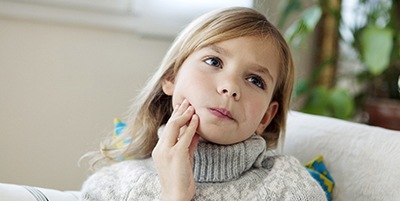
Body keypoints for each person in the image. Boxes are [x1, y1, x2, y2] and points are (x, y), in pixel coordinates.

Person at [80, 7, 327, 201]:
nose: (230, 87)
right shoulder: (112, 187)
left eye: (255, 80)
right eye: (214, 62)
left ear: (266, 117)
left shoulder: (292, 188)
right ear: (172, 77)